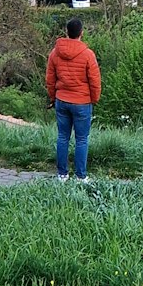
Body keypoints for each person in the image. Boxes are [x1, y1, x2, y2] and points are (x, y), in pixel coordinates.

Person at [46, 17, 102, 182]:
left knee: (63, 137)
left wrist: (53, 97)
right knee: (82, 139)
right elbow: (95, 81)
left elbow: (50, 79)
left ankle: (62, 175)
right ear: (81, 33)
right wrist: (94, 99)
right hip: (82, 102)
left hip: (62, 100)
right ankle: (80, 176)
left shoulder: (55, 53)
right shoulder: (87, 54)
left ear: (67, 32)